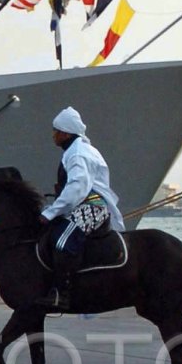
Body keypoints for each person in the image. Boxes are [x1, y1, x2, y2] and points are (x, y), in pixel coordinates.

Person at [39, 107, 125, 311]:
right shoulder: (74, 150)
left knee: (62, 241)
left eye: (56, 130)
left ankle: (63, 293)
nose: (53, 135)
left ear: (66, 133)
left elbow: (77, 188)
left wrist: (49, 213)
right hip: (79, 204)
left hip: (93, 206)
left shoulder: (78, 154)